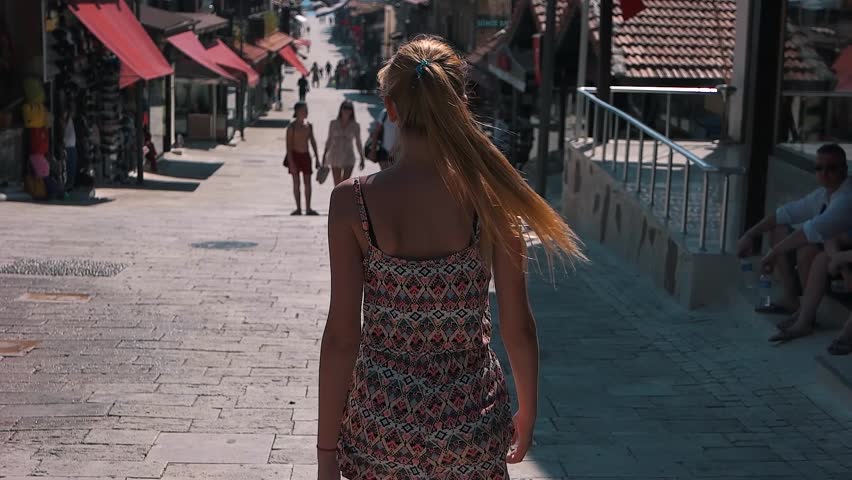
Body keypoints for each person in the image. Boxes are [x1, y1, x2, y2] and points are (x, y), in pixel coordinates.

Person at [317, 36, 583, 480]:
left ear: (391, 109)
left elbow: (342, 336)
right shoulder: (492, 198)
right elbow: (518, 326)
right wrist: (529, 411)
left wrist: (327, 452)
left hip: (381, 426)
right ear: (460, 103)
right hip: (470, 425)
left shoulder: (353, 203)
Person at [737, 144, 852, 316]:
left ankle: (807, 314)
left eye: (831, 168)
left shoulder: (846, 197)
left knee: (807, 249)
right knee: (779, 229)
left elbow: (811, 231)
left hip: (843, 256)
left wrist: (773, 253)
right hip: (833, 248)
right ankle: (792, 300)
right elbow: (784, 214)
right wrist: (749, 234)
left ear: (845, 169)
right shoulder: (823, 193)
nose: (824, 173)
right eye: (819, 168)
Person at [286, 102, 321, 216]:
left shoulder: (309, 125)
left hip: (306, 155)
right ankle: (298, 208)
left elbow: (313, 141)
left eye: (306, 110)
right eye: (303, 110)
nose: (305, 112)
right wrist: (291, 162)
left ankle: (308, 208)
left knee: (308, 183)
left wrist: (317, 158)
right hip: (295, 156)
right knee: (296, 183)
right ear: (296, 112)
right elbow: (288, 147)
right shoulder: (291, 127)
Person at [323, 101, 364, 186]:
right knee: (337, 185)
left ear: (352, 111)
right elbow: (329, 139)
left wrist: (362, 157)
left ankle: (344, 199)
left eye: (349, 108)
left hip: (349, 155)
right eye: (345, 108)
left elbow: (358, 142)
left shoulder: (355, 125)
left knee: (345, 184)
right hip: (335, 155)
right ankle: (338, 199)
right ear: (341, 109)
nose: (347, 110)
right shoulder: (333, 123)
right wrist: (324, 154)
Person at [61, 106, 77, 191]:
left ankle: (70, 185)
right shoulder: (66, 120)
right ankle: (68, 185)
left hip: (71, 146)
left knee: (71, 167)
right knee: (69, 167)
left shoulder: (69, 119)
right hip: (68, 146)